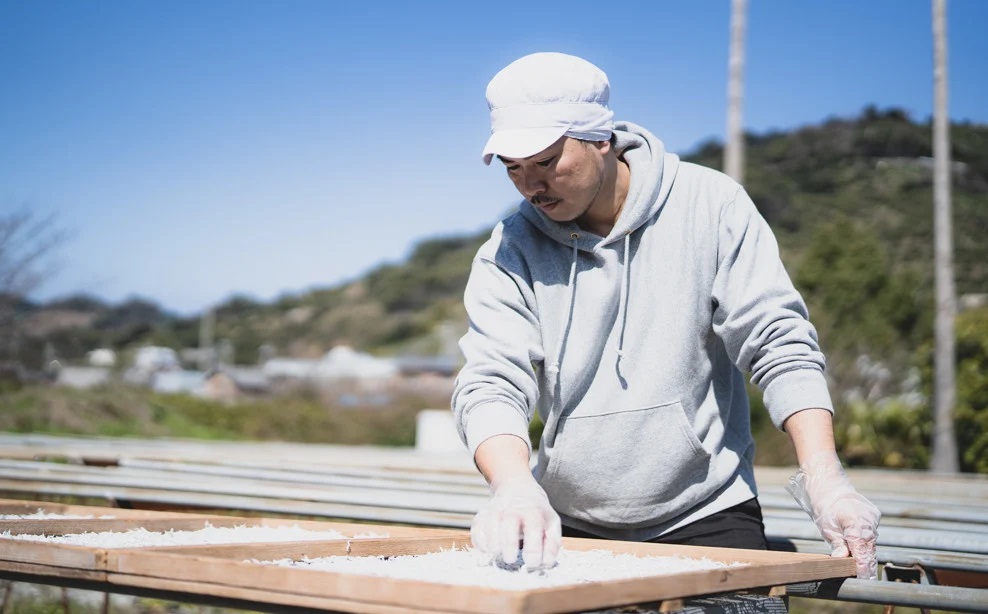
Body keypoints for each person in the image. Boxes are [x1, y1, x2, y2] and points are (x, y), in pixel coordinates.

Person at [451, 52, 881, 579]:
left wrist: (824, 475)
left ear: (600, 140)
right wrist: (514, 486)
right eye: (514, 169)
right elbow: (492, 381)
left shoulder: (711, 205)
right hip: (566, 523)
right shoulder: (509, 251)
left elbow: (777, 341)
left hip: (710, 513)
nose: (530, 186)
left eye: (545, 162)